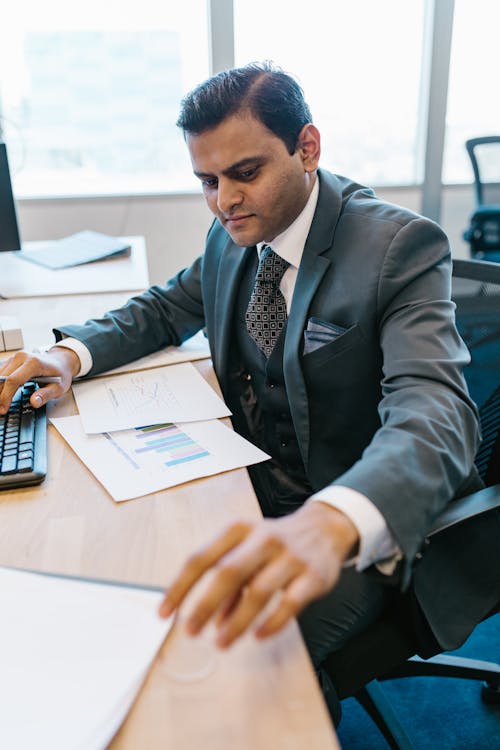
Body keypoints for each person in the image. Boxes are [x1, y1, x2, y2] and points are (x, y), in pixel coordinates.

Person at [0, 62, 493, 723]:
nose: (223, 199)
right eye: (207, 181)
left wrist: (333, 520)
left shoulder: (398, 248)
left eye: (245, 172)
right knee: (129, 591)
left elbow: (435, 413)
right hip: (252, 482)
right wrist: (68, 354)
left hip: (360, 519)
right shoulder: (234, 231)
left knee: (234, 675)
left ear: (307, 148)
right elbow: (166, 307)